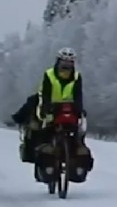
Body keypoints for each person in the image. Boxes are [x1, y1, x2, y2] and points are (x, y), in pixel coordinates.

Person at [32, 47, 93, 182]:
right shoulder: (49, 74)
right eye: (64, 62)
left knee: (78, 135)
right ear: (58, 61)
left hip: (69, 110)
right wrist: (46, 108)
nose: (67, 65)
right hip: (52, 108)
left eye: (70, 62)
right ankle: (44, 165)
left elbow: (78, 95)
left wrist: (79, 109)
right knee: (46, 133)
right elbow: (46, 93)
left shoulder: (77, 76)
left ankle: (73, 160)